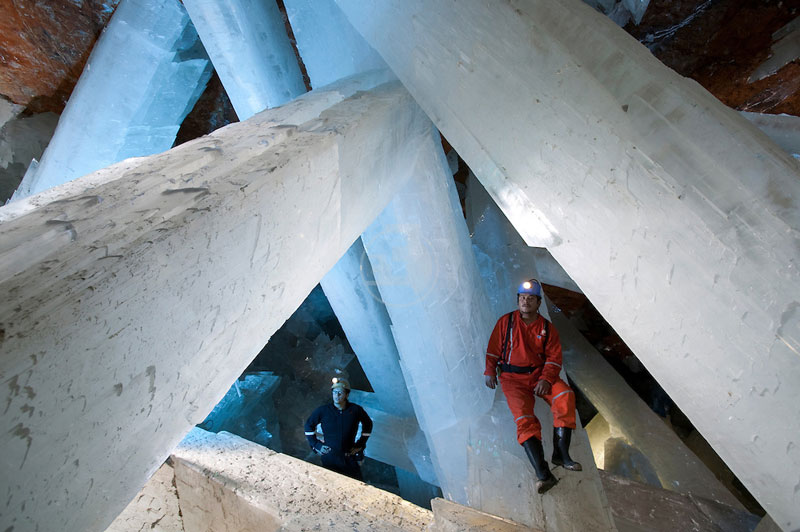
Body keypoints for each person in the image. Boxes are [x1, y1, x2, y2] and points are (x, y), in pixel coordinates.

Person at [484, 279, 581, 494]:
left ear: (538, 303)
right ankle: (543, 474)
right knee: (524, 420)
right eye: (522, 298)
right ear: (518, 300)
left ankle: (561, 453)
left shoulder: (547, 328)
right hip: (512, 378)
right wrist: (490, 370)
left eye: (530, 299)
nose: (525, 302)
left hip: (539, 374)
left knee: (564, 395)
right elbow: (492, 349)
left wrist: (546, 378)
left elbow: (554, 358)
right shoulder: (506, 322)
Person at [304, 377, 373, 480]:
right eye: (334, 392)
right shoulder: (323, 411)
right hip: (330, 457)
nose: (337, 395)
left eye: (340, 393)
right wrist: (317, 445)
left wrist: (360, 444)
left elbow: (368, 424)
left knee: (355, 486)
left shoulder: (355, 410)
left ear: (347, 395)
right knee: (331, 484)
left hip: (349, 456)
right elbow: (308, 426)